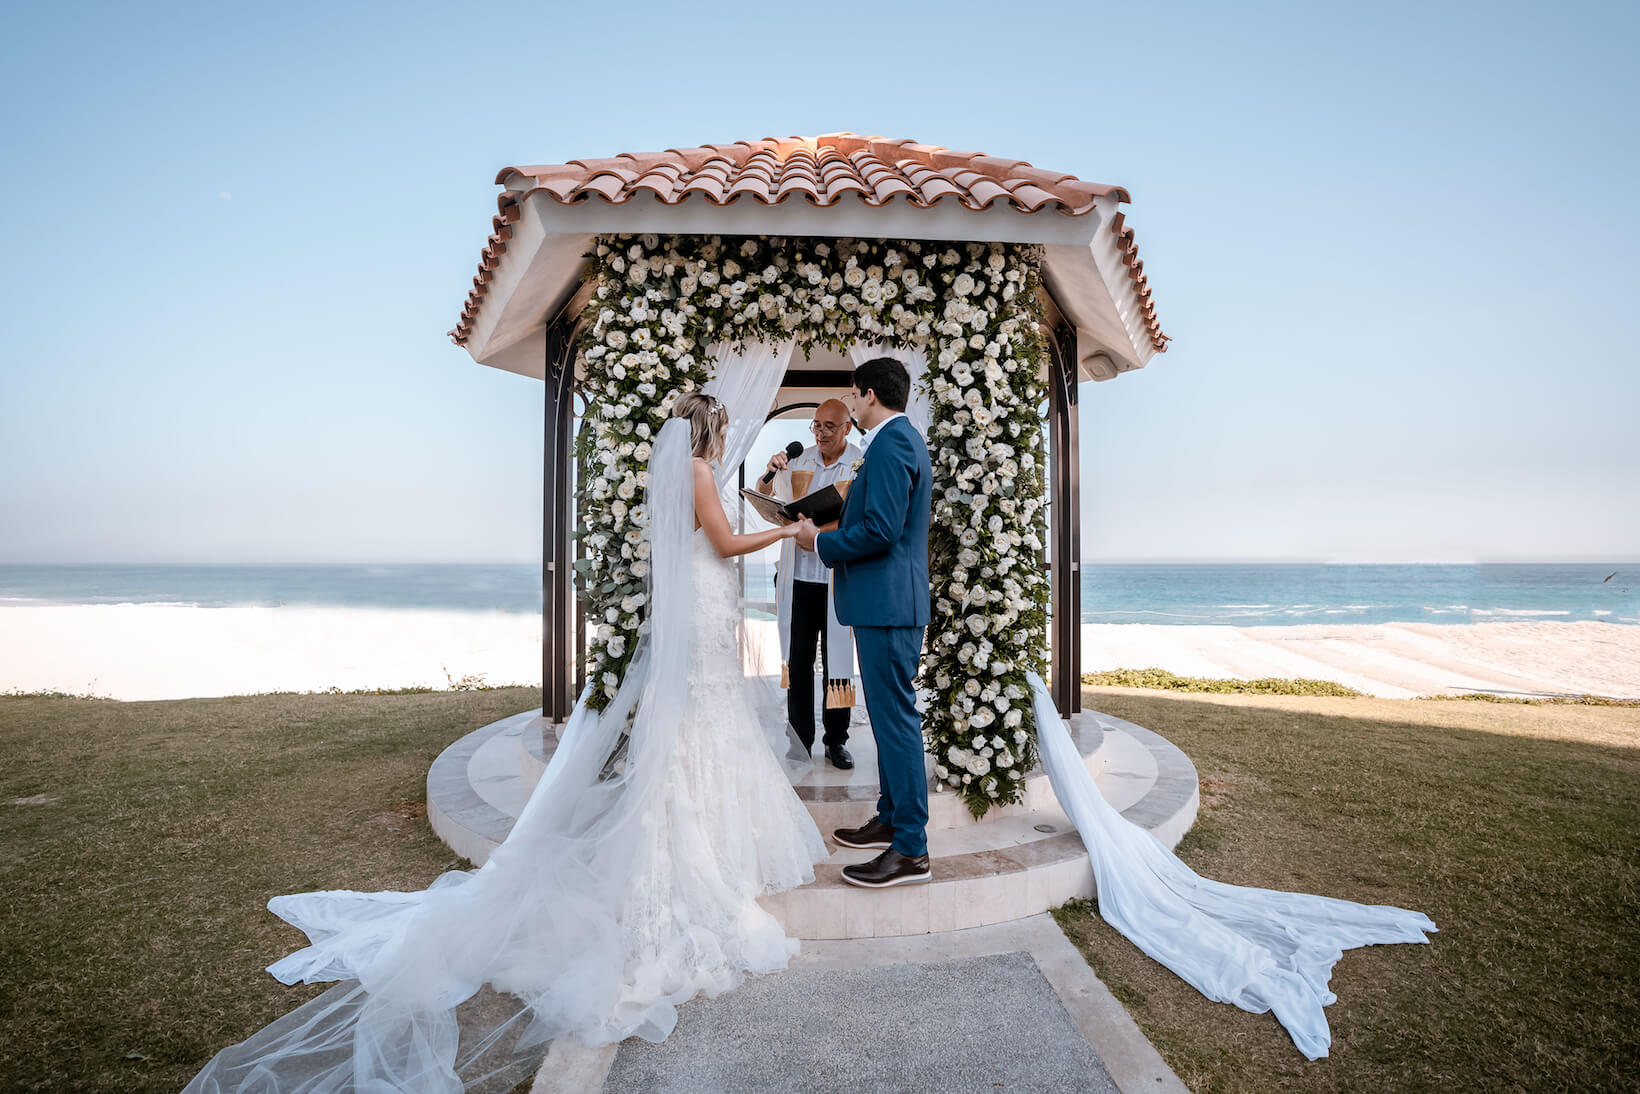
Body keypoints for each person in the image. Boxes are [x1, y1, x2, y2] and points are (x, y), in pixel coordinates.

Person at [184, 392, 828, 1092]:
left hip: (701, 608)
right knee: (702, 731)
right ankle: (701, 858)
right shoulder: (700, 475)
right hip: (704, 607)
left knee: (704, 731)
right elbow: (727, 545)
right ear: (713, 428)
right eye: (725, 424)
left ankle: (708, 841)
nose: (729, 430)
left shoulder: (681, 475)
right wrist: (785, 535)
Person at [795, 358, 933, 889]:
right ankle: (891, 817)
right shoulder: (895, 440)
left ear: (868, 394)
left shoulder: (895, 443)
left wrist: (820, 541)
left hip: (889, 606)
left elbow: (881, 529)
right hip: (882, 604)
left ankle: (912, 850)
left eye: (853, 397)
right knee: (885, 718)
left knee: (896, 722)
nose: (852, 406)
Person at [756, 398, 861, 769]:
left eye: (830, 426)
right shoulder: (797, 461)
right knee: (799, 662)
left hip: (838, 577)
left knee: (838, 663)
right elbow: (764, 495)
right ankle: (799, 738)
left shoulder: (860, 463)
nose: (821, 433)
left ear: (847, 427)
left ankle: (837, 741)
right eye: (816, 426)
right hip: (799, 577)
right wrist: (770, 472)